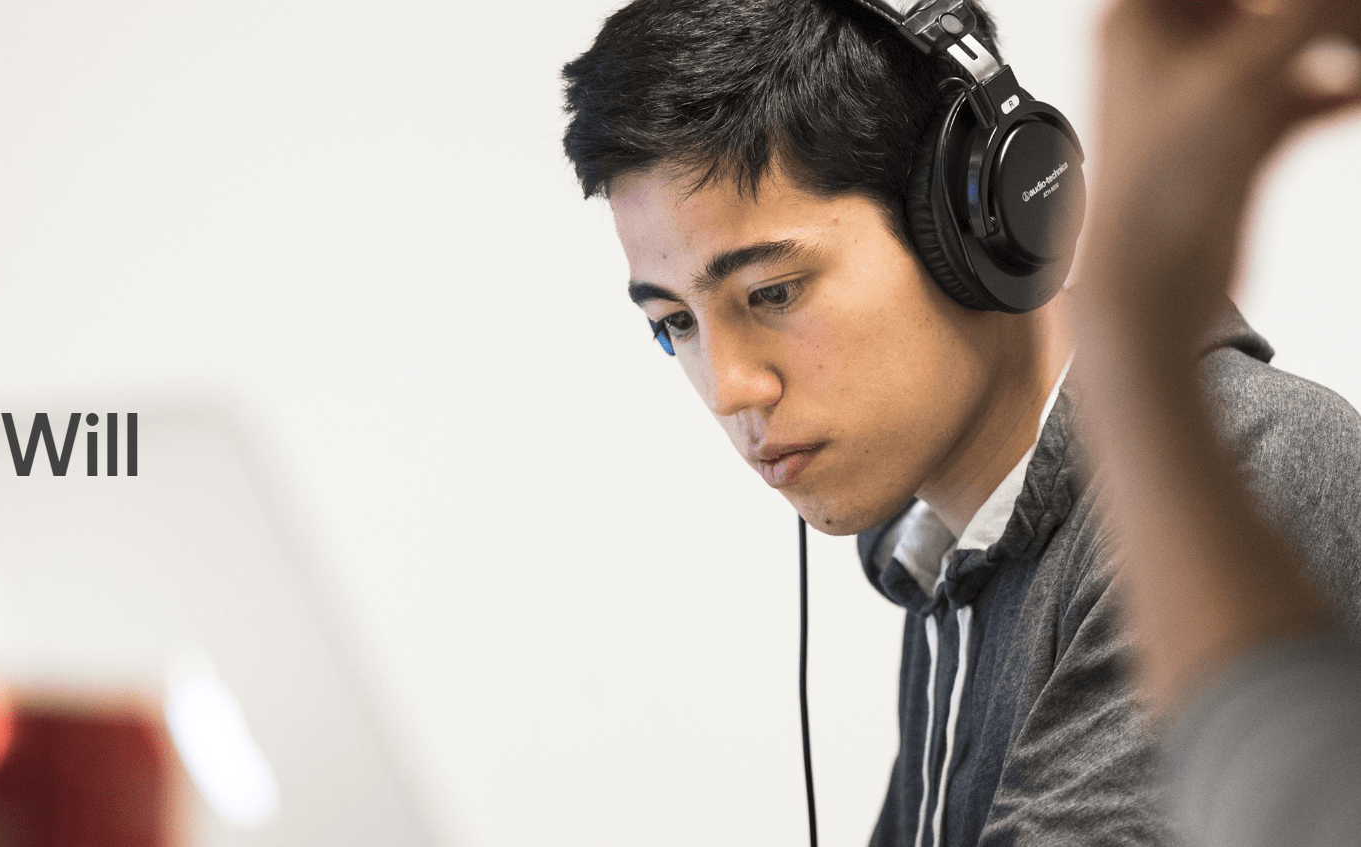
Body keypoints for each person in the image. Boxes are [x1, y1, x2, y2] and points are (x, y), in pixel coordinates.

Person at [560, 1, 1361, 844]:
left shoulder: (1239, 476)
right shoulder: (950, 549)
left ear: (971, 223)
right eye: (675, 323)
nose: (728, 388)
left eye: (773, 293)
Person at [1074, 0, 1361, 844]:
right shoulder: (934, 564)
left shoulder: (1268, 445)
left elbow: (1302, 798)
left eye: (776, 291)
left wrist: (1130, 330)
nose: (738, 388)